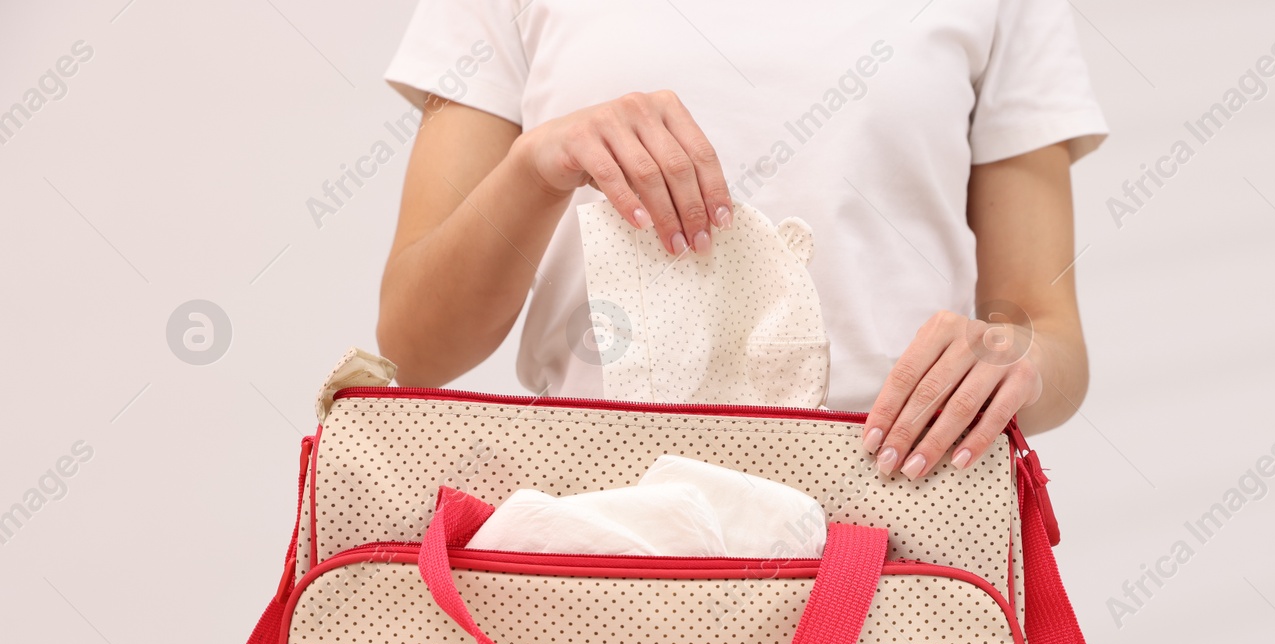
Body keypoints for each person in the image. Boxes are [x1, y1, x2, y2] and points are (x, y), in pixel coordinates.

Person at [378, 0, 1106, 478]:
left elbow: (1048, 333)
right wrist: (536, 169)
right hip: (595, 520)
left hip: (892, 513)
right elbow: (415, 346)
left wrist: (1013, 358)